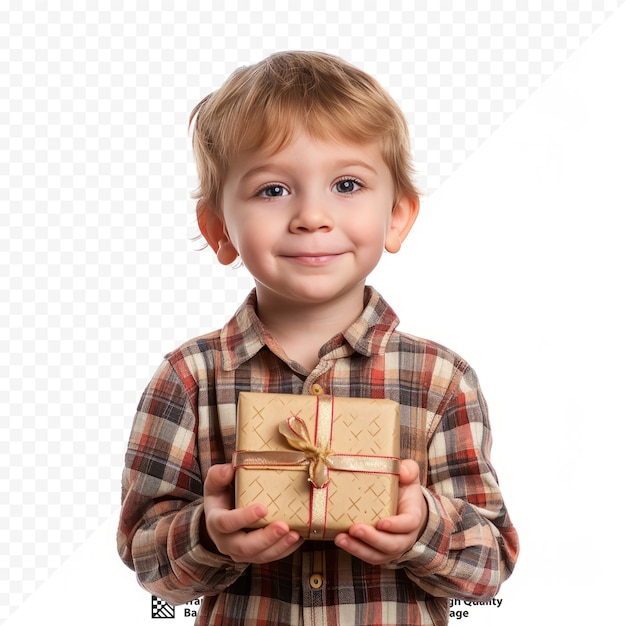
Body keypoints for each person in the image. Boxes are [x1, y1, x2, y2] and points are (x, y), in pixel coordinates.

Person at [117, 50, 519, 625]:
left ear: (399, 215)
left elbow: (491, 566)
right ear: (218, 230)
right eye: (273, 190)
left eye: (347, 184)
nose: (312, 216)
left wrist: (423, 526)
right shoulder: (189, 378)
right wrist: (209, 533)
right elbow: (147, 560)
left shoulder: (440, 381)